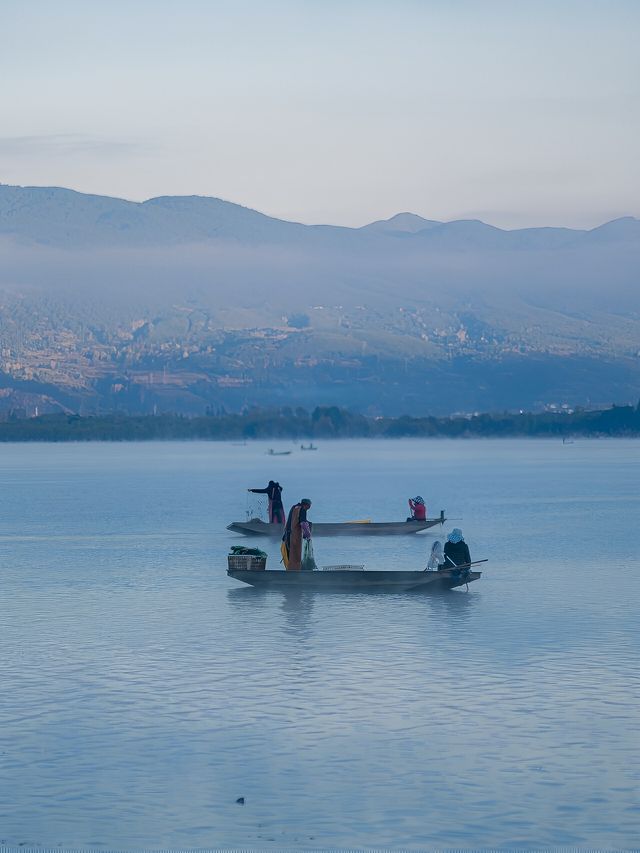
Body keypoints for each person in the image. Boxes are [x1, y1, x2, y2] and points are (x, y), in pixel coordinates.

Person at [282, 498, 312, 571]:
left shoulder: (294, 507)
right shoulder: (302, 509)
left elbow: (294, 520)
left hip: (287, 535)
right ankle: (294, 574)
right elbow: (303, 523)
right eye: (309, 506)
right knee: (295, 557)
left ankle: (290, 572)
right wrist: (308, 535)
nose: (309, 508)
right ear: (307, 505)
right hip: (294, 537)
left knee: (290, 557)